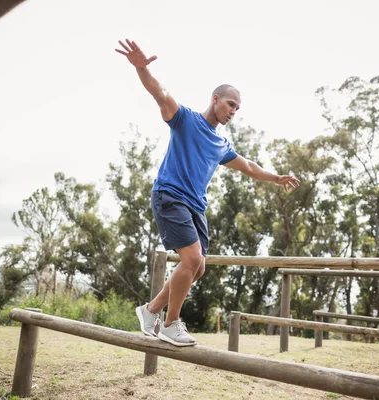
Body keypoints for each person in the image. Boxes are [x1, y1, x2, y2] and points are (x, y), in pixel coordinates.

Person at [115, 39, 300, 346]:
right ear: (215, 99)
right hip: (170, 195)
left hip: (195, 207)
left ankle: (150, 311)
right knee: (191, 259)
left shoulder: (221, 144)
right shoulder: (185, 119)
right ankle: (170, 324)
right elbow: (160, 93)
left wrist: (275, 177)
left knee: (197, 266)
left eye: (237, 109)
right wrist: (141, 68)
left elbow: (250, 167)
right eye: (230, 104)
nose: (233, 112)